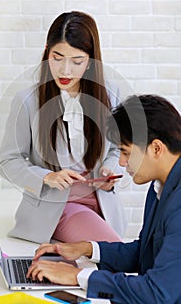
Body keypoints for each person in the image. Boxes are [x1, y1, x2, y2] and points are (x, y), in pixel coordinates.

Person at [26, 94, 181, 304]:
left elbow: (157, 293)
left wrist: (76, 276)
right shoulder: (160, 186)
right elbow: (146, 251)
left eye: (126, 152)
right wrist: (88, 249)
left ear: (156, 148)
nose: (122, 162)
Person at [0, 11, 126, 244]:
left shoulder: (110, 94)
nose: (65, 71)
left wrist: (109, 167)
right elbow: (8, 162)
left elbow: (119, 148)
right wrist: (47, 177)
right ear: (47, 51)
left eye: (77, 61)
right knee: (113, 252)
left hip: (104, 206)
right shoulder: (27, 101)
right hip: (57, 208)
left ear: (90, 61)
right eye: (57, 57)